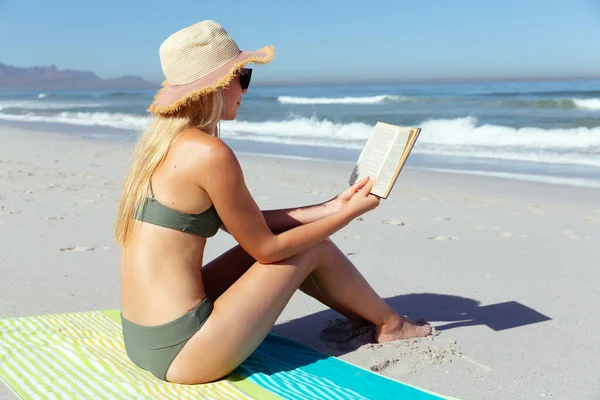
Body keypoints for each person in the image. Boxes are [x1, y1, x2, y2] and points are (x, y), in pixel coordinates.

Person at [114, 20, 431, 385]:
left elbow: (243, 223)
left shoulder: (158, 146)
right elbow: (267, 248)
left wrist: (331, 205)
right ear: (217, 84)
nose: (244, 90)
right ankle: (391, 325)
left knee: (301, 240)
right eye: (242, 77)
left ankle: (368, 318)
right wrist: (349, 214)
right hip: (185, 353)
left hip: (141, 339)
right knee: (315, 247)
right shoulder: (209, 153)